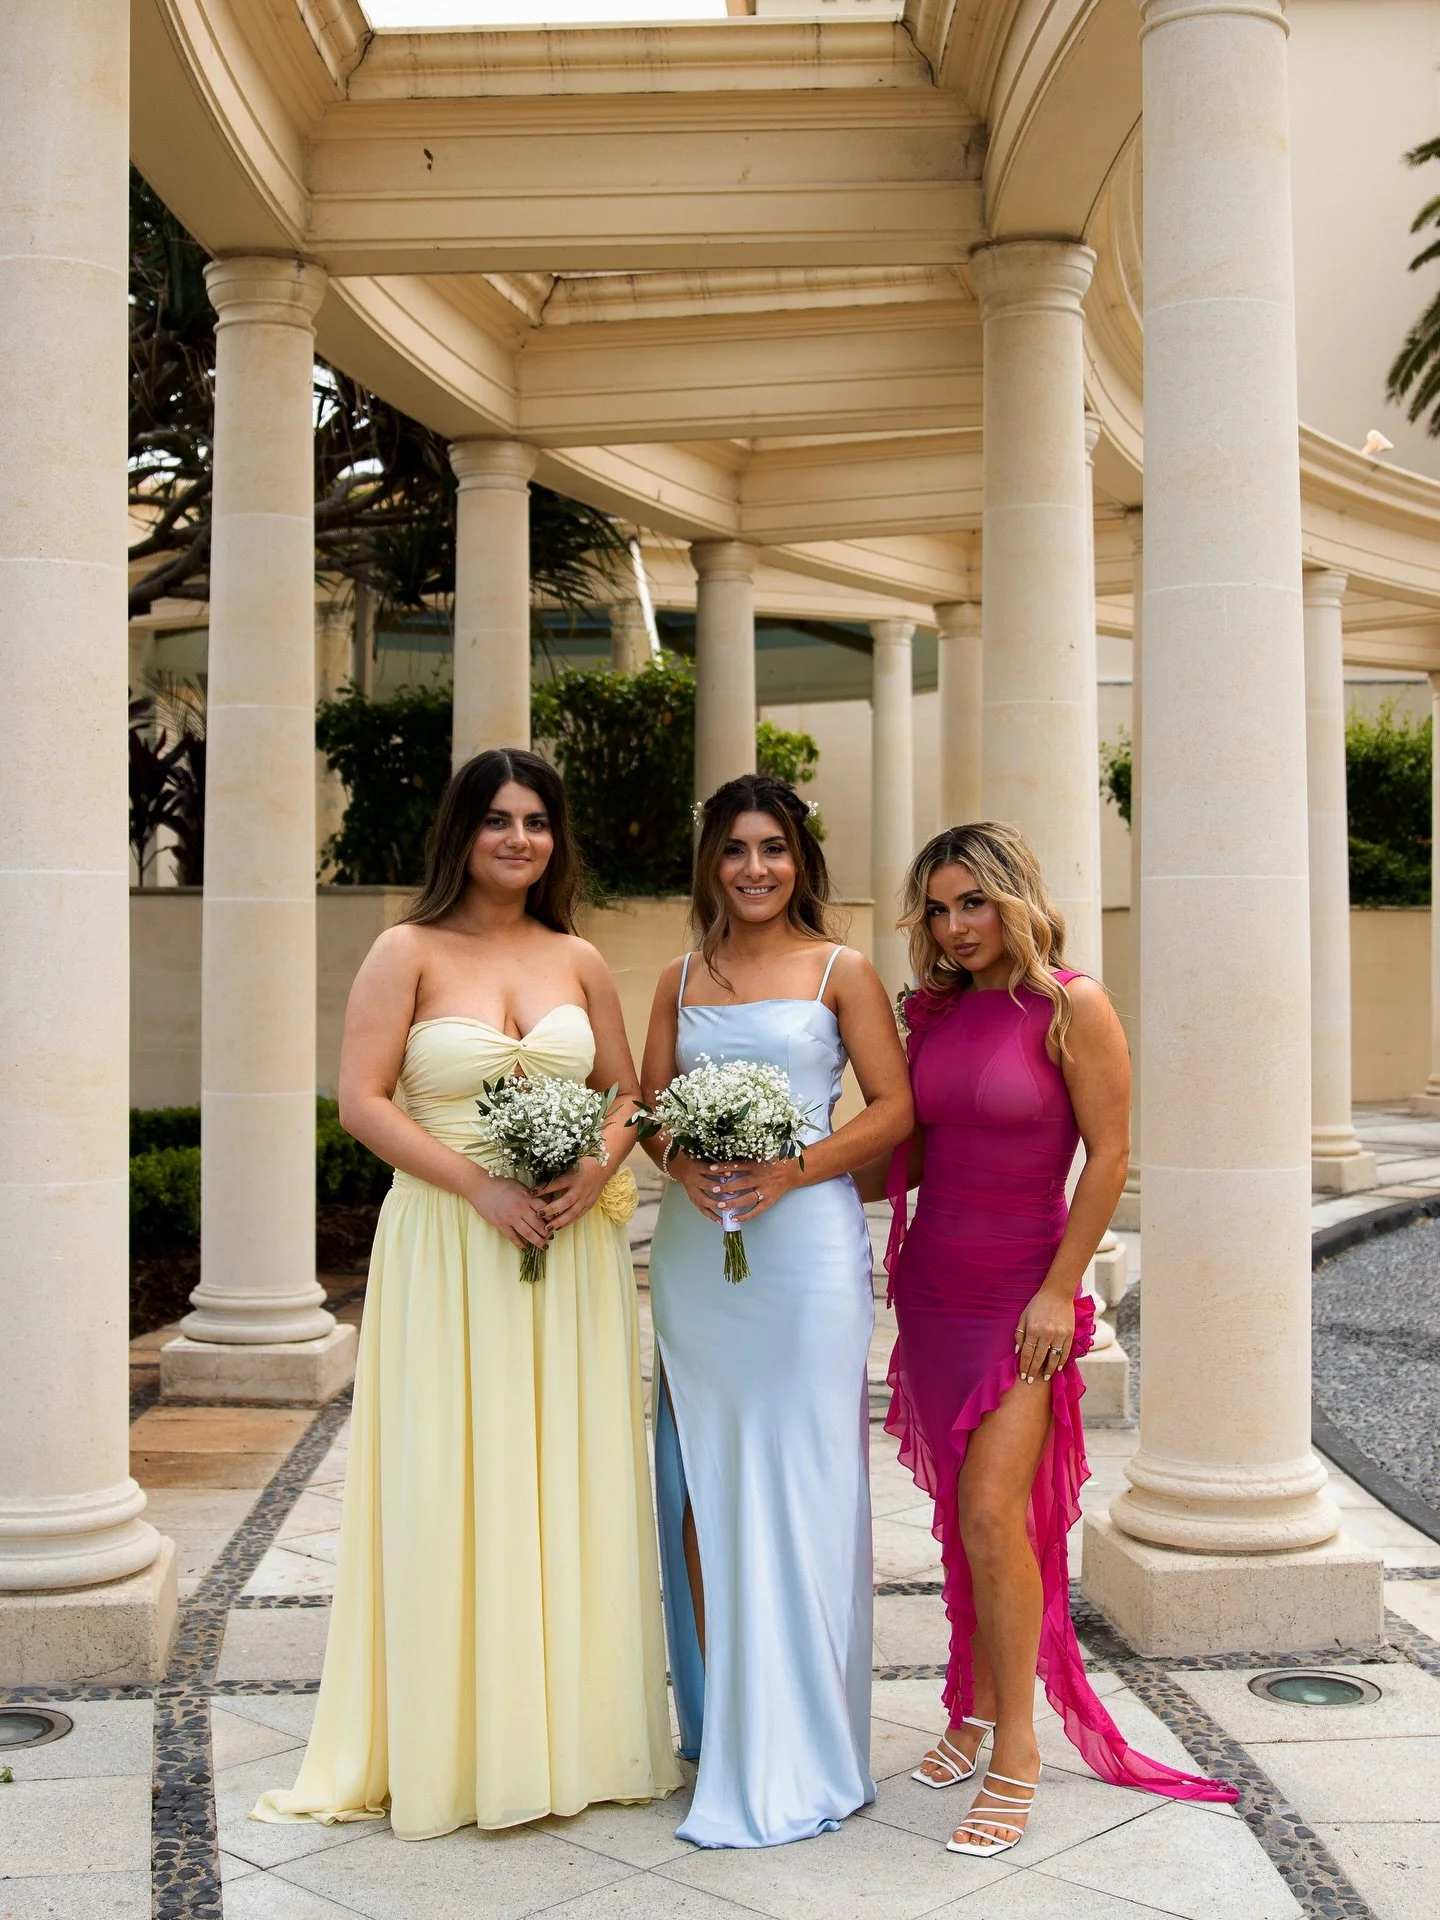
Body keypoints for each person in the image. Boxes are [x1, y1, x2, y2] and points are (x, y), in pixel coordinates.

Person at [253, 748, 679, 1841]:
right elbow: (360, 1098)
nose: (519, 840)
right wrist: (480, 1188)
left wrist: (596, 1169)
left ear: (556, 838)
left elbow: (625, 1092)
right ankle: (454, 1742)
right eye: (497, 821)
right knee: (454, 1471)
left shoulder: (579, 956)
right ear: (462, 833)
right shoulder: (406, 949)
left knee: (565, 1470)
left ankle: (573, 1735)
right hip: (450, 1241)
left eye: (536, 822)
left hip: (568, 1250)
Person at [870, 821, 1237, 1859]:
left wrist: (1059, 1291)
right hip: (935, 1286)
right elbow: (910, 1146)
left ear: (1012, 899)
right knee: (959, 1515)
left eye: (971, 903)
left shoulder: (1072, 1003)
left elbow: (1111, 1156)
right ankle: (973, 1705)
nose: (954, 926)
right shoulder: (932, 1011)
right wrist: (768, 1171)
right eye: (938, 909)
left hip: (1023, 1295)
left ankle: (1018, 1749)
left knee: (996, 1515)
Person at [640, 774, 913, 1849]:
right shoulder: (677, 977)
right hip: (698, 1255)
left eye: (774, 849)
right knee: (702, 1478)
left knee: (804, 1475)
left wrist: (793, 1168)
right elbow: (653, 1114)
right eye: (736, 849)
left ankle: (805, 1732)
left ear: (802, 859)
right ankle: (726, 1717)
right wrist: (687, 1160)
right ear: (711, 862)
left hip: (803, 1259)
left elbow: (895, 1111)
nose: (755, 868)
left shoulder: (844, 972)